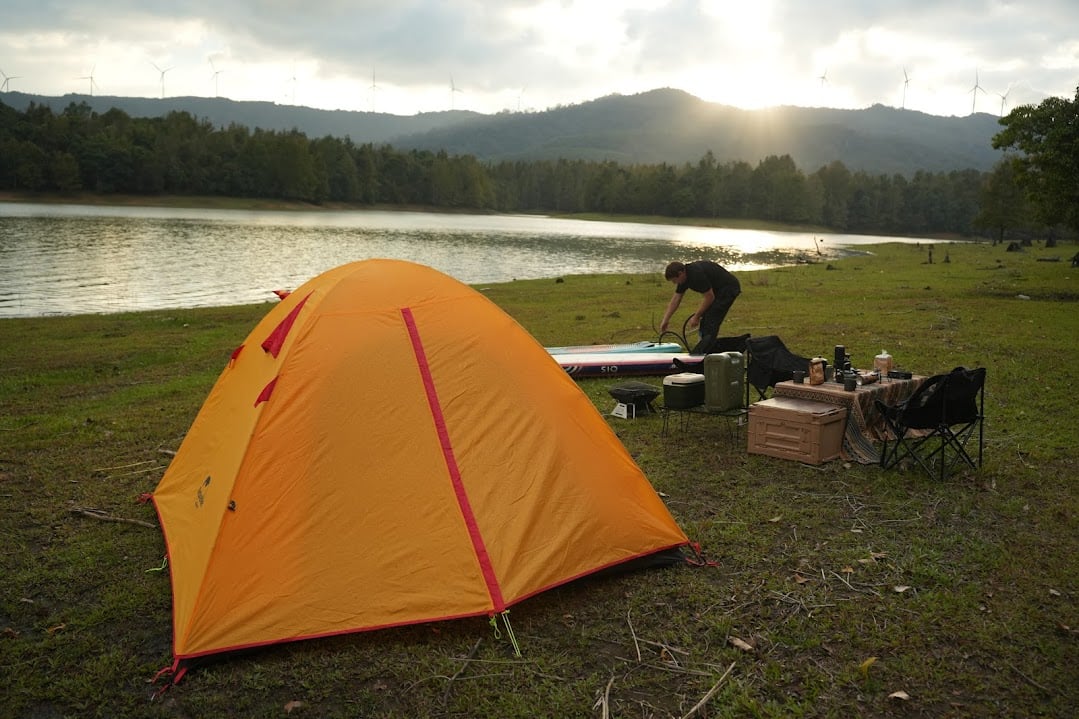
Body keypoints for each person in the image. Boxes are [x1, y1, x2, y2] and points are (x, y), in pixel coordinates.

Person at [659, 260, 741, 355]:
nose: (675, 283)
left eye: (674, 280)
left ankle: (706, 353)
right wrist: (665, 320)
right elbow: (676, 299)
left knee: (711, 320)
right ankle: (703, 349)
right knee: (705, 319)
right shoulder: (684, 277)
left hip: (728, 289)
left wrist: (697, 316)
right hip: (717, 290)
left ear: (680, 273)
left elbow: (709, 297)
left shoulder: (696, 275)